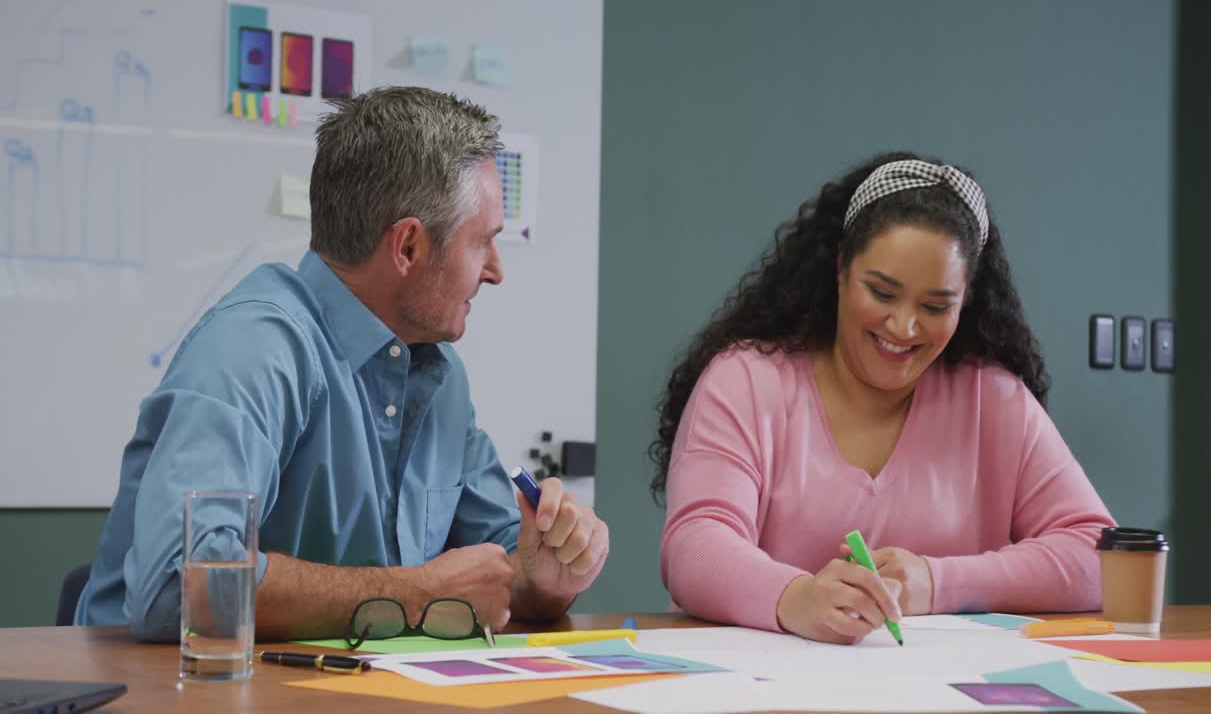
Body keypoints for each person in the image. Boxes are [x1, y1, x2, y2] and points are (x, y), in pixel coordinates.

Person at [76, 87, 609, 641]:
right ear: (407, 247)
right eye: (483, 244)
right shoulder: (254, 347)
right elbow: (177, 586)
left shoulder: (439, 374)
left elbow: (498, 573)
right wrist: (417, 594)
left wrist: (544, 578)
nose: (496, 271)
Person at [652, 153, 1115, 645]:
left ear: (967, 302)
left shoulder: (994, 399)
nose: (904, 327)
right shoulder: (745, 381)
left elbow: (1100, 558)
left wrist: (939, 582)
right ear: (840, 270)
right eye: (882, 292)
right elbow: (694, 547)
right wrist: (795, 598)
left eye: (936, 306)